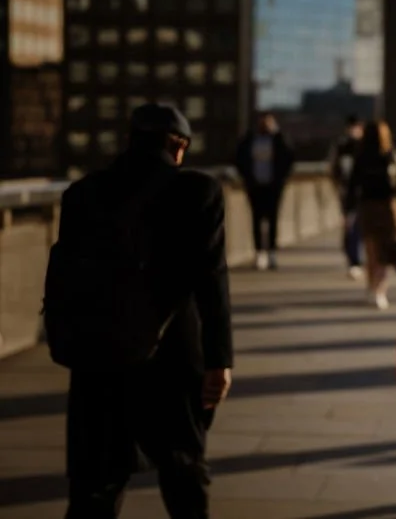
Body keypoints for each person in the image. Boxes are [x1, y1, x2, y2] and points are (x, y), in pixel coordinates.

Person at [48, 103, 233, 519]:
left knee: (94, 485)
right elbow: (212, 282)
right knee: (183, 475)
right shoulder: (197, 191)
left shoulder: (81, 194)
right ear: (177, 145)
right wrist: (219, 360)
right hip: (170, 355)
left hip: (95, 357)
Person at [343, 120, 396, 310]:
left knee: (371, 250)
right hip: (389, 208)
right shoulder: (391, 156)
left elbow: (352, 185)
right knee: (386, 251)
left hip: (367, 207)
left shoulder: (361, 157)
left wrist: (348, 209)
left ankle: (371, 288)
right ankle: (379, 290)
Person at [234, 113, 295, 271]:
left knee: (273, 219)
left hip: (273, 186)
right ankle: (259, 253)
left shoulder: (278, 140)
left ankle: (272, 252)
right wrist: (246, 177)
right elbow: (238, 158)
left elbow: (289, 157)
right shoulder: (249, 140)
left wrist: (280, 179)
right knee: (256, 219)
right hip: (255, 186)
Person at [329, 115, 364, 279]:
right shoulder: (342, 146)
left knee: (358, 228)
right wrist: (339, 187)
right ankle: (353, 259)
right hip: (348, 194)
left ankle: (357, 259)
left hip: (363, 195)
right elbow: (334, 169)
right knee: (350, 227)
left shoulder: (365, 147)